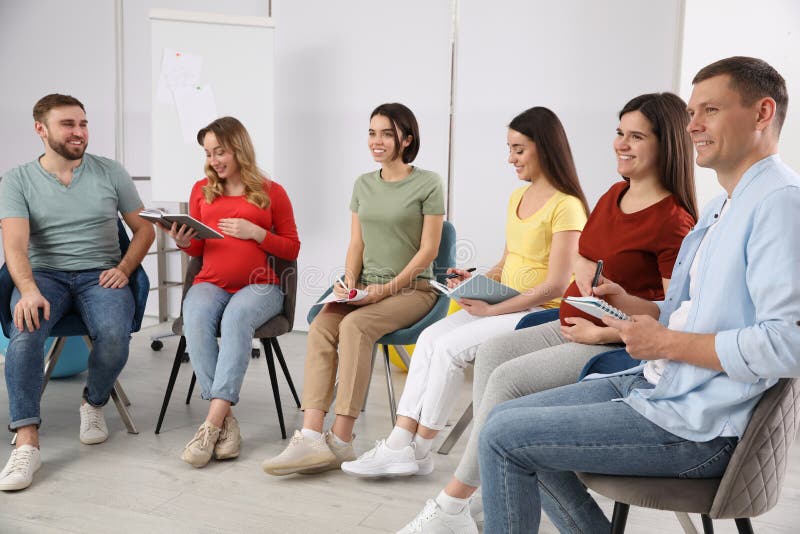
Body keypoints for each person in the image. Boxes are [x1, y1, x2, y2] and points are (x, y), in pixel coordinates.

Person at [479, 56, 800, 534]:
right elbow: (692, 310)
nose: (692, 126)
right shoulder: (724, 207)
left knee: (505, 436)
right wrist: (635, 304)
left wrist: (665, 342)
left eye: (709, 111)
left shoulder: (780, 203)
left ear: (762, 113)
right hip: (663, 385)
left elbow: (786, 344)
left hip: (702, 425)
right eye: (691, 114)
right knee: (501, 420)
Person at [399, 91, 698, 533]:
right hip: (572, 321)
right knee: (494, 355)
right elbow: (588, 267)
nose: (622, 144)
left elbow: (674, 316)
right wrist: (601, 290)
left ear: (665, 144)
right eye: (620, 133)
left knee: (508, 382)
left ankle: (451, 505)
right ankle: (486, 486)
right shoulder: (614, 195)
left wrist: (609, 330)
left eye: (637, 137)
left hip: (612, 343)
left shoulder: (674, 220)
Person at [340, 107, 589, 479]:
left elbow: (554, 286)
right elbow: (508, 260)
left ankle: (420, 450)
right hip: (504, 301)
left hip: (538, 312)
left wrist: (495, 310)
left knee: (449, 349)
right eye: (509, 148)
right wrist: (475, 280)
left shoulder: (567, 206)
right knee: (429, 338)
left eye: (518, 149)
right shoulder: (517, 198)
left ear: (544, 147)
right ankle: (398, 443)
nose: (510, 158)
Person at [262, 103, 445, 476]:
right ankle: (312, 435)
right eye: (372, 132)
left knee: (354, 327)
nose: (376, 141)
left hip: (413, 290)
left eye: (387, 134)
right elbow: (357, 244)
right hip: (366, 286)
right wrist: (349, 281)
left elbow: (429, 250)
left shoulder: (428, 182)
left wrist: (385, 290)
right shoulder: (363, 184)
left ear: (407, 139)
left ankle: (342, 439)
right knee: (324, 324)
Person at [0, 94, 155, 491]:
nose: (79, 132)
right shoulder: (17, 179)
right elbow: (15, 245)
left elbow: (144, 229)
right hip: (44, 276)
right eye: (68, 124)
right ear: (41, 129)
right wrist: (29, 289)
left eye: (83, 123)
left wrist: (123, 268)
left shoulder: (110, 172)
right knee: (25, 333)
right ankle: (27, 440)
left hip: (100, 275)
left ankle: (95, 401)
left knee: (116, 334)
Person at [159, 116, 300, 468]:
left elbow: (291, 249)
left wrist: (256, 233)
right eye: (208, 153)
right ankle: (226, 421)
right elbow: (197, 252)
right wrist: (183, 242)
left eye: (219, 151)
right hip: (210, 282)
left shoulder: (272, 192)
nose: (213, 160)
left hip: (261, 285)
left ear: (238, 148)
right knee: (194, 315)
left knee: (237, 316)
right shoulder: (201, 191)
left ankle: (210, 425)